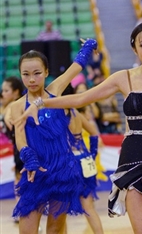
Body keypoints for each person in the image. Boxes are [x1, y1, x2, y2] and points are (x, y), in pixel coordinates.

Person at [16, 23, 142, 234]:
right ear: (135, 48)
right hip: (133, 161)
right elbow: (81, 98)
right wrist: (41, 103)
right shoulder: (122, 78)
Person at [10, 39, 97, 234]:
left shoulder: (55, 91)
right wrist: (28, 157)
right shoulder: (17, 106)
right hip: (35, 173)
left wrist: (89, 46)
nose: (31, 79)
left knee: (56, 229)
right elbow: (20, 138)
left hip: (61, 171)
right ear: (21, 75)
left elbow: (75, 67)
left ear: (46, 73)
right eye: (26, 74)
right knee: (27, 229)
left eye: (37, 73)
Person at [64, 85, 104, 234]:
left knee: (61, 209)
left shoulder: (57, 115)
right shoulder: (76, 113)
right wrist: (91, 155)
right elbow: (94, 133)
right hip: (84, 159)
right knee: (89, 207)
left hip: (69, 163)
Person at [0, 77, 24, 221]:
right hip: (17, 147)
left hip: (21, 148)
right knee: (19, 180)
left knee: (22, 181)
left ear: (16, 92)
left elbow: (12, 125)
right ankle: (21, 211)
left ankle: (24, 212)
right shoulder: (10, 106)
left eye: (6, 90)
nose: (3, 93)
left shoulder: (13, 106)